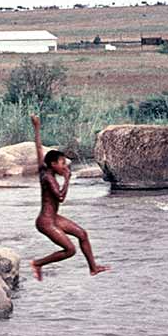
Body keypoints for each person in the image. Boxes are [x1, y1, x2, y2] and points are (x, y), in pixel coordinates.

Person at [29, 114, 110, 281]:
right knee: (70, 250)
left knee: (82, 234)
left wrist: (37, 127)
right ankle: (37, 263)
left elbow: (38, 149)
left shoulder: (44, 168)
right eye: (62, 164)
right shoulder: (48, 178)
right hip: (46, 222)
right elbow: (60, 198)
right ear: (53, 165)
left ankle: (93, 268)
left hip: (53, 217)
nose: (65, 166)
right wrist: (67, 179)